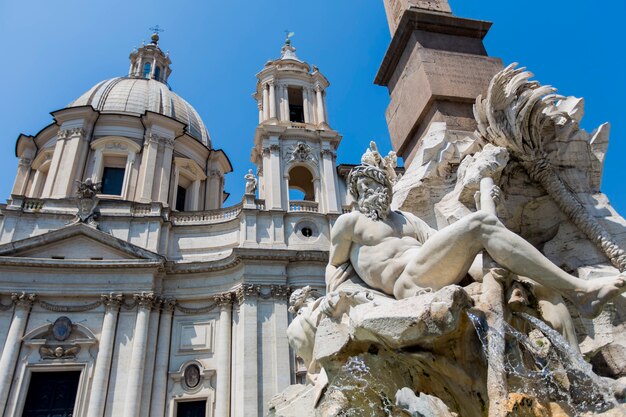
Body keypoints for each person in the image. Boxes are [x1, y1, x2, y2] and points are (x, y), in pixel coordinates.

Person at [326, 143, 625, 319]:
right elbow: (335, 268)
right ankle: (581, 293)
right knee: (480, 223)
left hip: (433, 268)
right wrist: (345, 300)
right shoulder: (349, 223)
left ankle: (560, 287)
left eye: (375, 182)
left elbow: (444, 244)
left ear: (386, 188)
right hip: (406, 284)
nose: (368, 188)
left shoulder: (405, 219)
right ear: (354, 192)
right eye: (360, 185)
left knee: (490, 238)